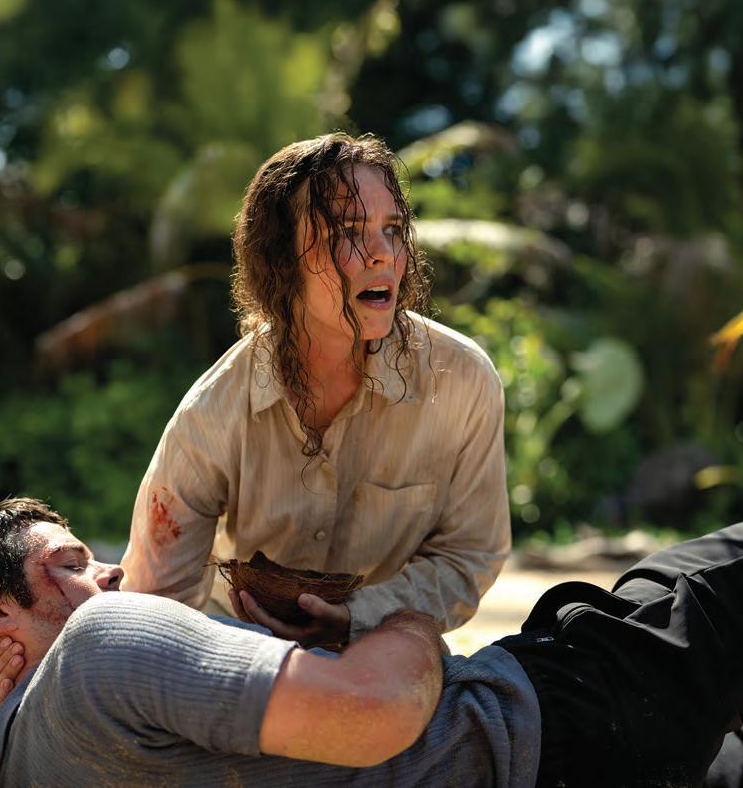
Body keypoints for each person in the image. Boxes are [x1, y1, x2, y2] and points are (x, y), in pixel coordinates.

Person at [0, 496, 743, 788]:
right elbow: (378, 711)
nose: (112, 573)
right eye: (71, 562)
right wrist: (399, 619)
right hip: (554, 731)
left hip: (571, 755)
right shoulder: (102, 645)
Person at [122, 131, 510, 646]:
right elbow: (153, 600)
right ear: (281, 259)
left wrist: (360, 616)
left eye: (394, 229)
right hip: (237, 653)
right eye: (348, 231)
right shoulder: (214, 411)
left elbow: (469, 555)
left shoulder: (462, 381)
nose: (383, 255)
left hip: (382, 652)